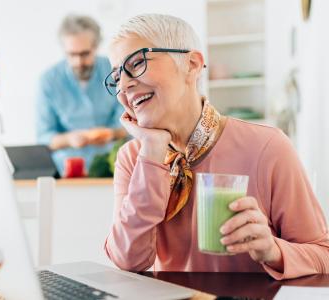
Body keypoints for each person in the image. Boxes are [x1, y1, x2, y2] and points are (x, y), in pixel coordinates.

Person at [103, 14, 329, 280]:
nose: (125, 84)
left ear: (191, 64)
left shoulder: (267, 147)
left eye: (138, 63)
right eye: (116, 77)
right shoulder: (132, 158)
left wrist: (272, 250)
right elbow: (128, 260)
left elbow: (323, 255)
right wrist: (151, 151)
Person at [35, 14, 126, 175]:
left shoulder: (115, 71)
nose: (78, 62)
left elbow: (131, 121)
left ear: (96, 47)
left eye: (84, 54)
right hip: (66, 170)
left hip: (113, 166)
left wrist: (112, 134)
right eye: (72, 54)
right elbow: (44, 137)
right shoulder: (48, 80)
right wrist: (69, 139)